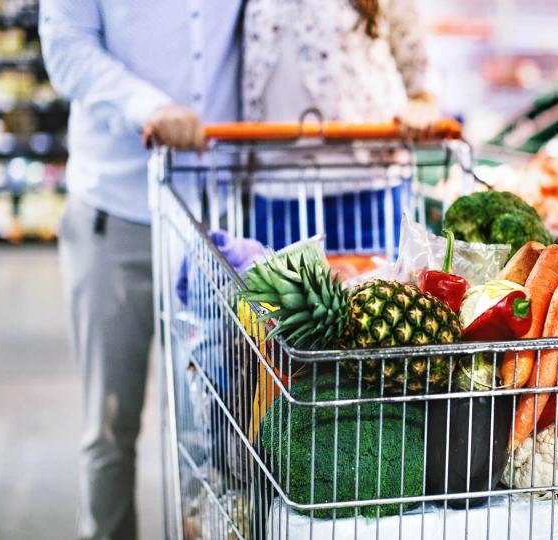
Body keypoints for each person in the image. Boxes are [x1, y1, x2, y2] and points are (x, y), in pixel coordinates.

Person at [38, 2, 242, 538]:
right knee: (109, 428)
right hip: (115, 212)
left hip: (214, 223)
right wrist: (146, 104)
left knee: (212, 432)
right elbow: (66, 48)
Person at [240, 0, 441, 252]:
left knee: (377, 287)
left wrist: (422, 102)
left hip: (368, 187)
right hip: (278, 187)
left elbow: (416, 58)